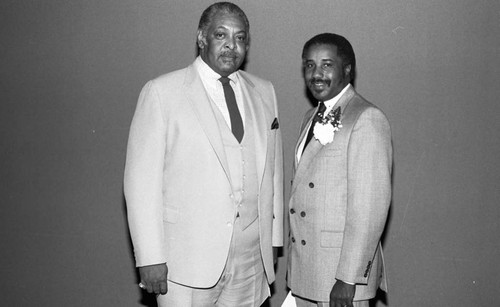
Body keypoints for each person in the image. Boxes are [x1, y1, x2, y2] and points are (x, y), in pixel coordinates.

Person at [123, 2, 283, 306]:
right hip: (186, 260)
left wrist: (273, 239)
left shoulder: (264, 91)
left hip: (251, 256)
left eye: (240, 37)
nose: (230, 46)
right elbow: (140, 184)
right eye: (220, 35)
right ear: (201, 38)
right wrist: (150, 256)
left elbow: (273, 171)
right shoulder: (162, 92)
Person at [286, 33, 392, 307]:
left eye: (326, 65)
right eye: (309, 65)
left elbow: (369, 209)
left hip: (339, 279)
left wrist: (347, 279)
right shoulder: (309, 117)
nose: (316, 74)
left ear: (347, 69)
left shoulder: (366, 118)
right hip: (307, 273)